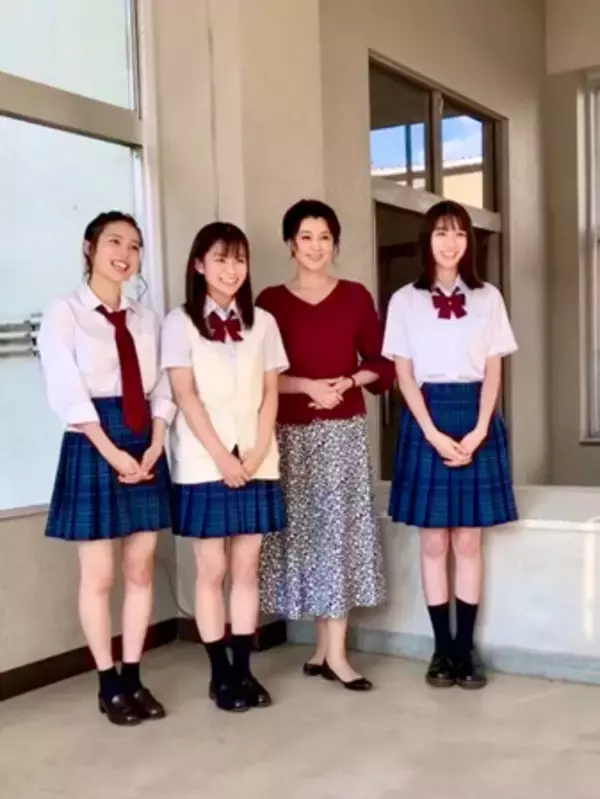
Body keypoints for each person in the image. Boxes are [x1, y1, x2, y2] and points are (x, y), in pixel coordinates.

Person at [38, 211, 174, 726]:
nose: (125, 254)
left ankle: (134, 676)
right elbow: (66, 388)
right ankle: (107, 683)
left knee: (141, 569)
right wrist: (110, 451)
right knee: (99, 575)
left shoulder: (147, 318)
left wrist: (156, 441)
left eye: (134, 246)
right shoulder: (65, 311)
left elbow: (161, 385)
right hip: (92, 439)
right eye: (114, 242)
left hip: (143, 439)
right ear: (89, 247)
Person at [257, 199, 394, 691]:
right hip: (288, 435)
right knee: (307, 537)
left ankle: (337, 654)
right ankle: (321, 648)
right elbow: (260, 375)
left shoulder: (355, 296)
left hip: (341, 434)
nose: (316, 246)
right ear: (290, 243)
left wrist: (347, 381)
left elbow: (381, 362)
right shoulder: (269, 303)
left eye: (325, 237)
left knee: (338, 536)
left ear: (335, 244)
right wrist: (306, 386)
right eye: (306, 236)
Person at [382, 200, 518, 690]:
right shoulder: (404, 301)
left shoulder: (488, 297)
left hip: (476, 413)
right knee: (434, 540)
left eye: (459, 232)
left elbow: (495, 370)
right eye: (441, 232)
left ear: (469, 242)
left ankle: (466, 649)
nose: (450, 241)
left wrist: (480, 429)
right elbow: (403, 375)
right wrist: (433, 433)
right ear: (428, 240)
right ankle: (441, 648)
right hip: (427, 415)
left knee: (468, 540)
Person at [161, 221, 288, 713]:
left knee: (247, 568)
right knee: (211, 569)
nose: (231, 269)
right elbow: (184, 394)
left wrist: (255, 453)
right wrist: (221, 456)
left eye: (239, 259)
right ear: (199, 265)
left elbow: (271, 392)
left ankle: (243, 669)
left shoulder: (264, 322)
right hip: (202, 461)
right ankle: (219, 673)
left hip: (257, 458)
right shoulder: (180, 322)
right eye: (220, 259)